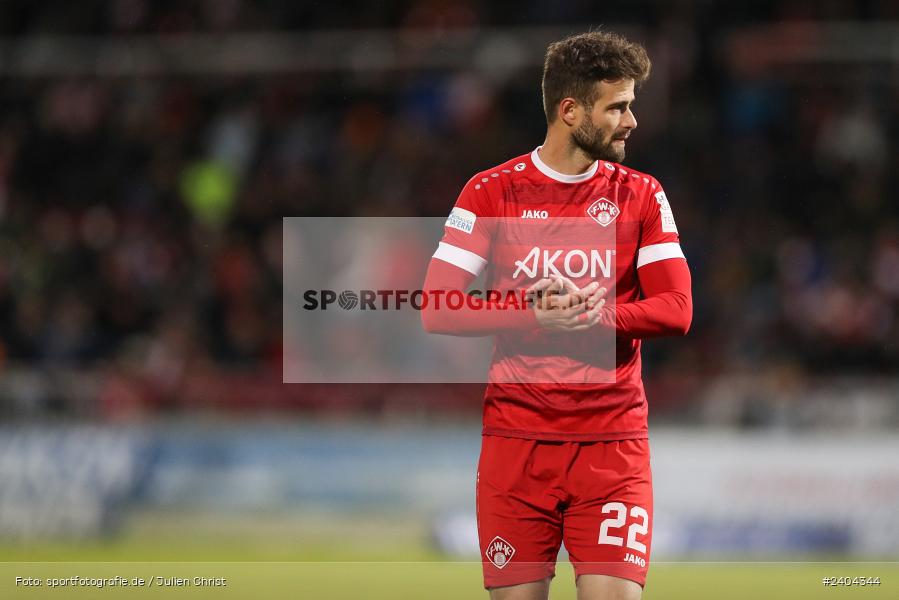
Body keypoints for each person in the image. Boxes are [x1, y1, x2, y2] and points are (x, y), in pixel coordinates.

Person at [421, 30, 692, 600]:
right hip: (516, 447)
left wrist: (595, 320)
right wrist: (533, 315)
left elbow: (677, 309)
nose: (631, 121)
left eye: (631, 106)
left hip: (612, 447)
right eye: (617, 107)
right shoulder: (491, 193)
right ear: (570, 111)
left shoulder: (641, 195)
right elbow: (438, 306)